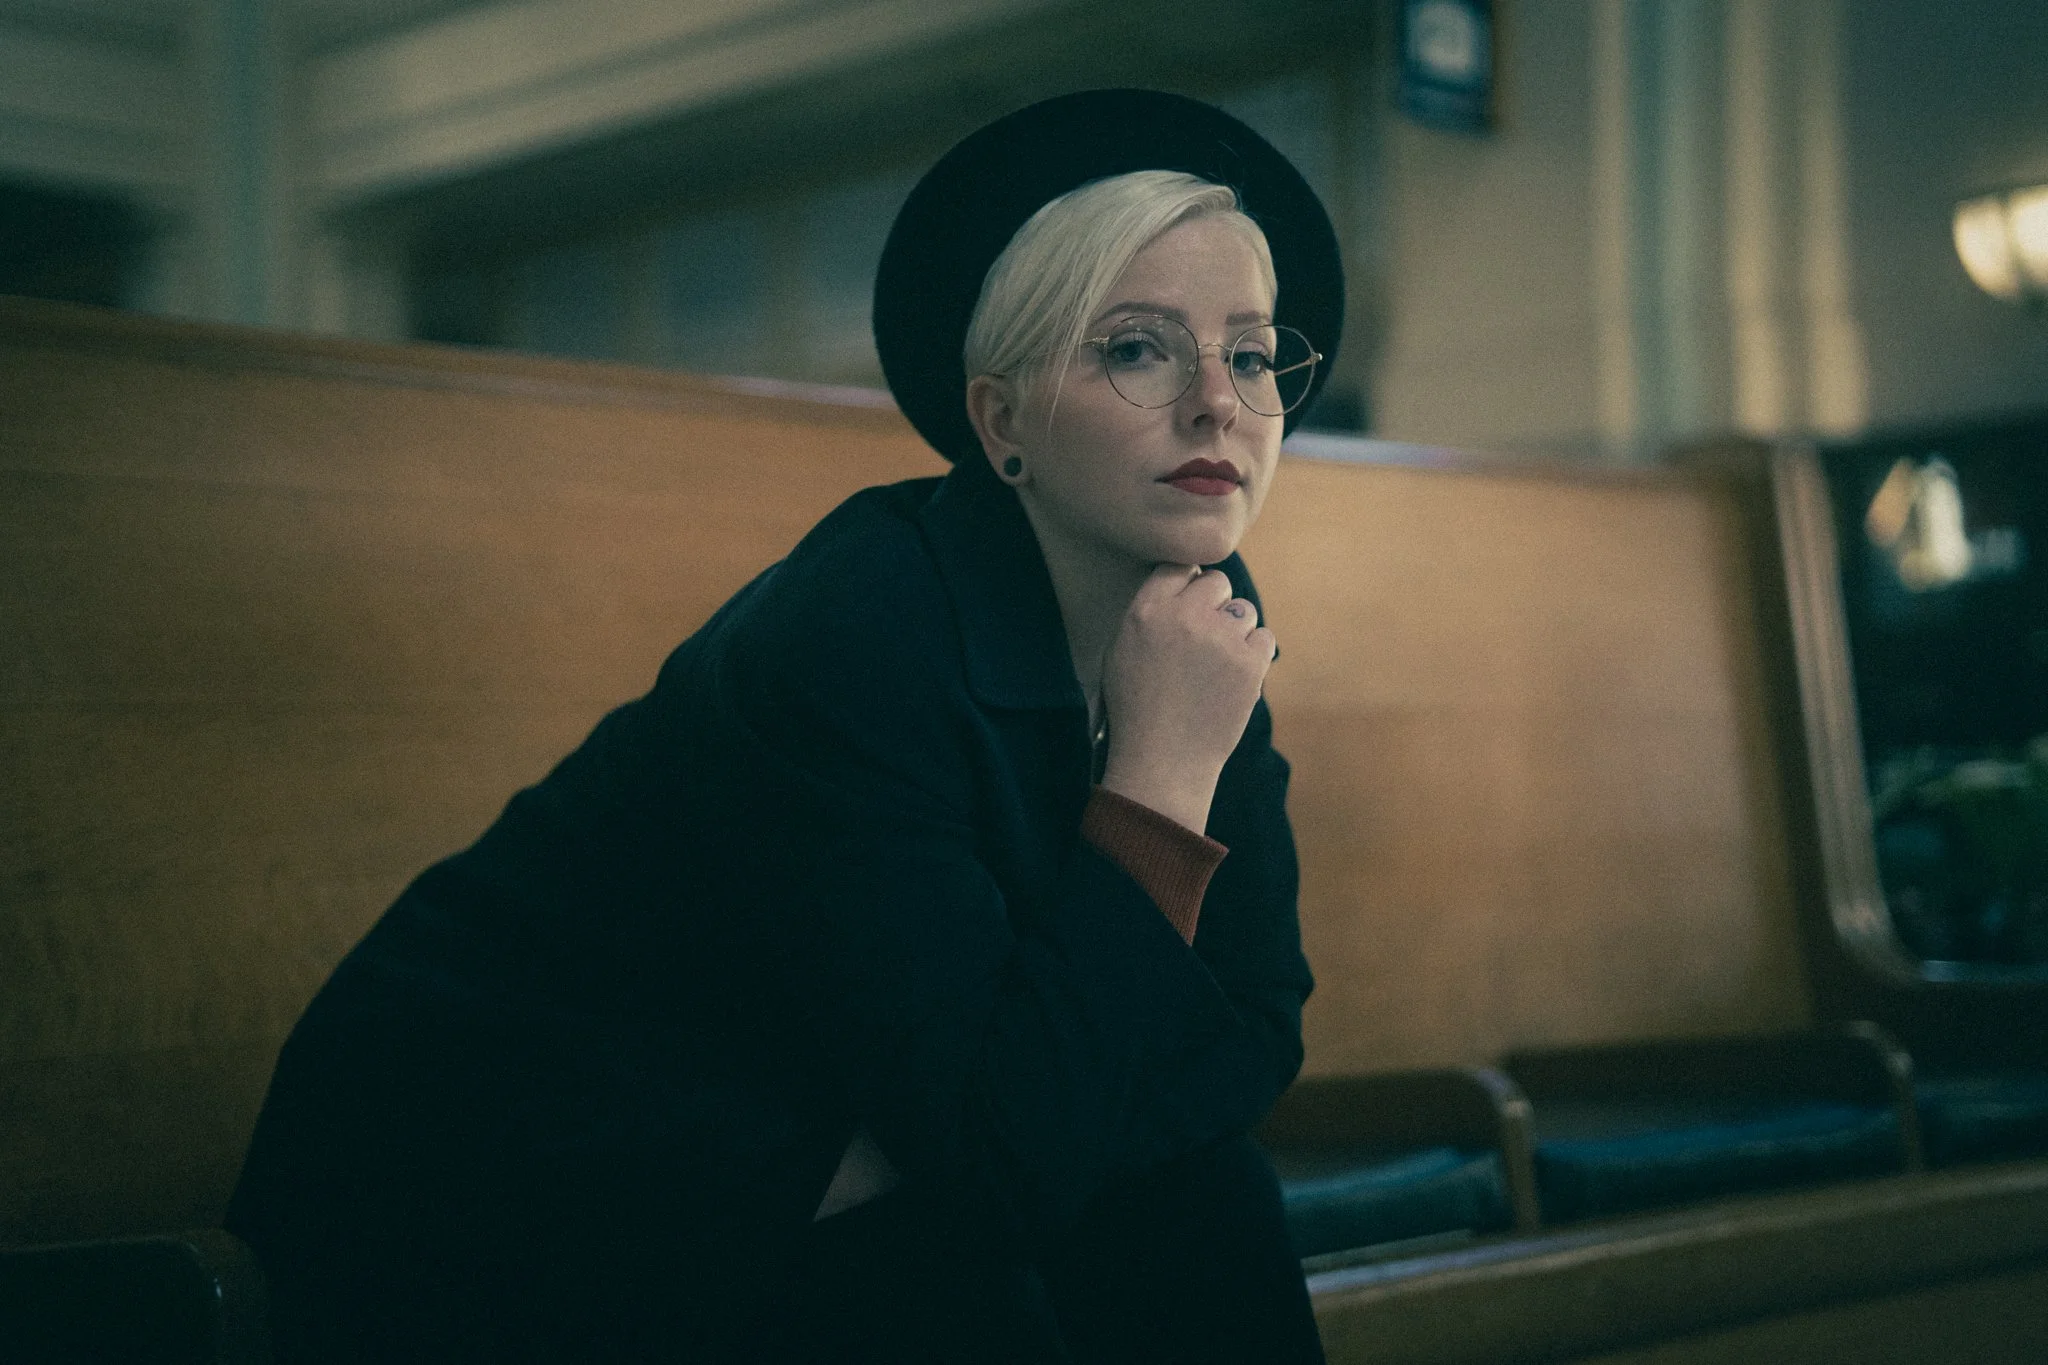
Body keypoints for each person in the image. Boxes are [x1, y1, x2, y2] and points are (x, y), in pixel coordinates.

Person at [225, 87, 1345, 1364]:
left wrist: (1015, 1130)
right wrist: (1154, 785)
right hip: (494, 1175)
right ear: (1001, 422)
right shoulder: (853, 628)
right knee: (995, 1267)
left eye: (1249, 354)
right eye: (1137, 349)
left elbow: (1256, 1021)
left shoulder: (1200, 614)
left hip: (839, 1160)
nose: (1216, 405)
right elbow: (1001, 1151)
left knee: (1193, 1202)